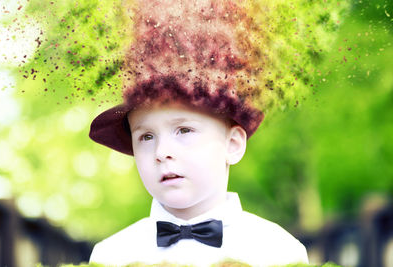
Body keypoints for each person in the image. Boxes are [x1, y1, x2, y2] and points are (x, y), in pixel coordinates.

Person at [88, 0, 309, 266]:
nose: (162, 152)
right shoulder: (112, 256)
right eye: (146, 137)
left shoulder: (279, 252)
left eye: (184, 130)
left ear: (233, 145)